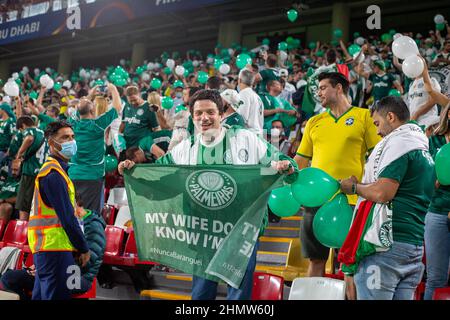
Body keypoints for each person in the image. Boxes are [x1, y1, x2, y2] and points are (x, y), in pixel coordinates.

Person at [120, 89, 298, 300]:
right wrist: (132, 171)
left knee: (238, 292)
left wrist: (285, 167)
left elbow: (284, 164)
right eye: (198, 113)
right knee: (202, 293)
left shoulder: (245, 138)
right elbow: (159, 177)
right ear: (192, 117)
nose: (204, 118)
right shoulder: (186, 147)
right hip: (203, 230)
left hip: (240, 229)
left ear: (221, 114)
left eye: (210, 112)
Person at [340, 96, 435, 300]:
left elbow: (383, 193)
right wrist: (365, 185)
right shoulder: (422, 147)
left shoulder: (400, 145)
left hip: (387, 246)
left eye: (377, 123)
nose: (377, 131)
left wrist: (355, 187)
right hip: (414, 246)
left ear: (390, 117)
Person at [294, 72, 380, 286]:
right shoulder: (314, 121)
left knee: (350, 264)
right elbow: (301, 160)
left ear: (339, 88)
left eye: (323, 87)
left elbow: (379, 155)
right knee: (315, 260)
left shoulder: (364, 116)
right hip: (316, 202)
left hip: (351, 200)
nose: (318, 92)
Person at [27, 121, 90, 300]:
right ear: (51, 143)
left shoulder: (57, 172)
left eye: (72, 137)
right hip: (54, 249)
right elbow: (67, 219)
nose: (71, 141)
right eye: (65, 137)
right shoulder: (53, 175)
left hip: (51, 249)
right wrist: (83, 248)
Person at [1, 193, 106, 300]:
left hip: (78, 276)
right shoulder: (66, 222)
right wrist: (40, 266)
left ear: (74, 205)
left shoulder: (94, 227)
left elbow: (86, 262)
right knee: (9, 278)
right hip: (54, 269)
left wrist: (50, 269)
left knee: (48, 283)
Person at [68, 83, 121, 215]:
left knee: (73, 213)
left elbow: (79, 109)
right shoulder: (98, 125)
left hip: (73, 174)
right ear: (93, 111)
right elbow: (117, 108)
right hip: (93, 177)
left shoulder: (72, 124)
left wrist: (89, 96)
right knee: (91, 215)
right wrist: (113, 89)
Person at [421, 63, 450, 299]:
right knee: (436, 277)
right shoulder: (435, 141)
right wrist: (435, 182)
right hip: (437, 213)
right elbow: (426, 179)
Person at [14, 116, 48, 221]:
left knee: (23, 206)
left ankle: (22, 232)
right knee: (35, 206)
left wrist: (19, 154)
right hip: (42, 172)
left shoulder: (30, 130)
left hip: (30, 172)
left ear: (23, 126)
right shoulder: (42, 132)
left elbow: (29, 138)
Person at [237, 69, 264, 135]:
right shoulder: (257, 96)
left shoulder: (244, 94)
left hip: (249, 134)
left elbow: (242, 118)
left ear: (239, 80)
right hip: (258, 133)